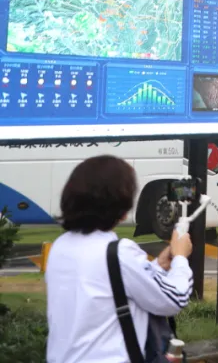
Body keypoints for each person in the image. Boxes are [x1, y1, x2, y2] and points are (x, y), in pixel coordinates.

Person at [46, 155, 193, 362]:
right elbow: (174, 299)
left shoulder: (60, 248)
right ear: (121, 207)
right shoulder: (119, 252)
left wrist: (157, 266)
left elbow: (108, 288)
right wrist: (180, 258)